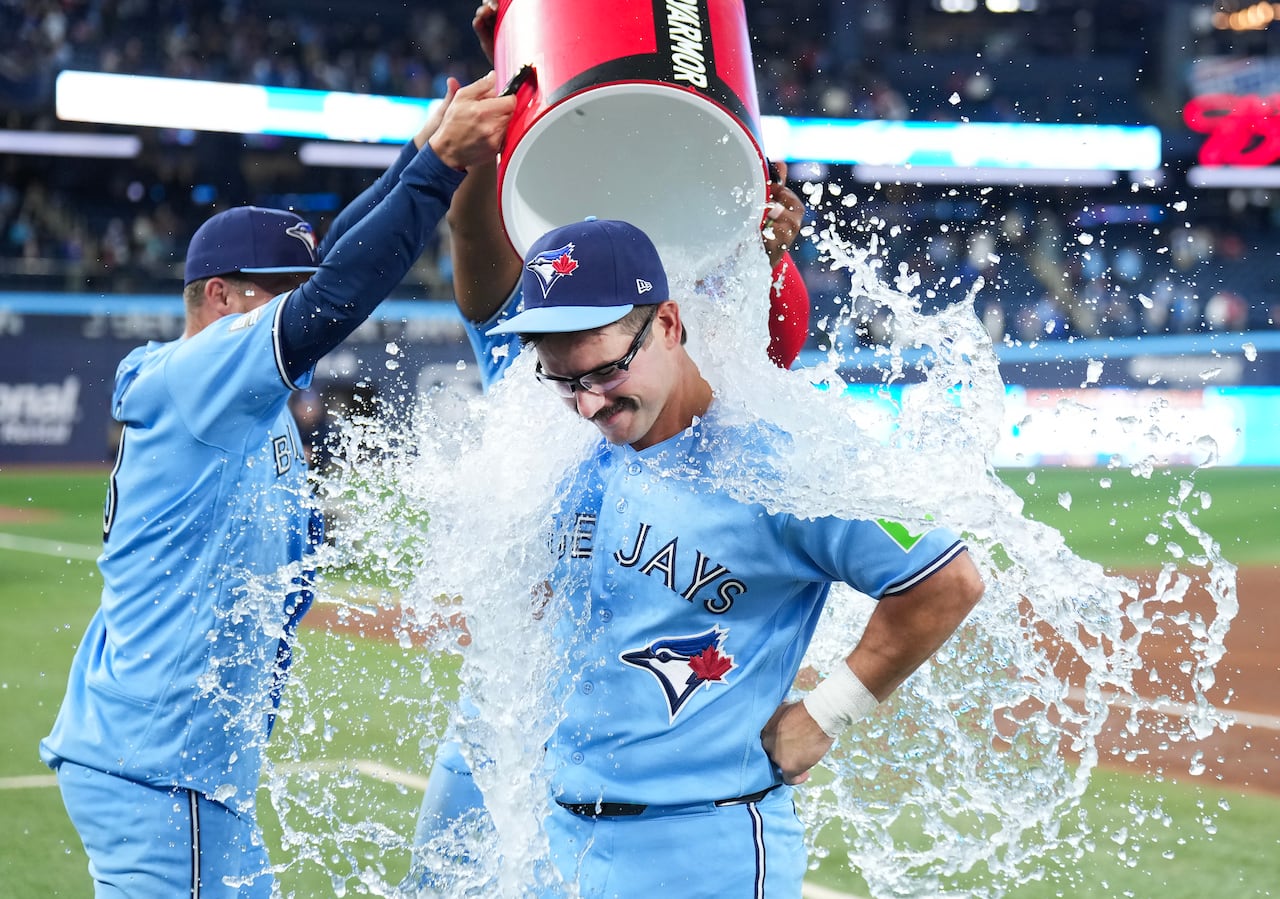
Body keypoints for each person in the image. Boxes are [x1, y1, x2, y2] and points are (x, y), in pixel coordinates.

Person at [38, 72, 515, 897]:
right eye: (273, 298)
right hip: (162, 771)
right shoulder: (197, 375)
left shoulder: (238, 400)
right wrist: (436, 167)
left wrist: (415, 154)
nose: (290, 317)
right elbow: (335, 295)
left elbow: (329, 267)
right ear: (217, 298)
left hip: (173, 771)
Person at [431, 216, 986, 895]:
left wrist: (827, 712)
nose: (586, 404)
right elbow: (474, 245)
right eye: (565, 380)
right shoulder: (565, 448)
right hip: (559, 844)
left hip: (704, 850)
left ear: (667, 322)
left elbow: (944, 578)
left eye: (605, 371)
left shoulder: (781, 454)